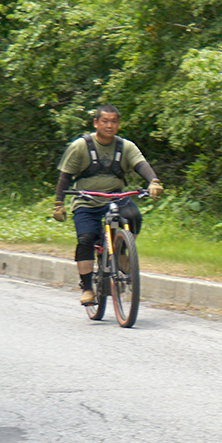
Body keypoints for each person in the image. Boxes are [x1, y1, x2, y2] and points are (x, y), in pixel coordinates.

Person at [52, 105, 164, 305]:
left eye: (114, 121)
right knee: (86, 239)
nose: (109, 126)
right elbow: (65, 176)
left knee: (134, 216)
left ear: (118, 124)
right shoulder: (80, 146)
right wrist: (58, 203)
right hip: (86, 199)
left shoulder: (125, 146)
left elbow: (140, 164)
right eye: (105, 121)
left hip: (115, 196)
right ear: (96, 123)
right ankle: (87, 288)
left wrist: (153, 181)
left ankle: (120, 252)